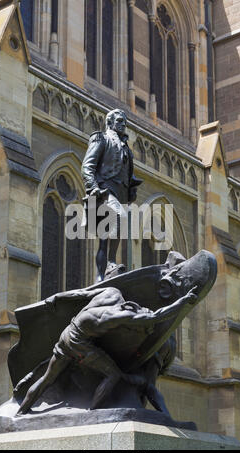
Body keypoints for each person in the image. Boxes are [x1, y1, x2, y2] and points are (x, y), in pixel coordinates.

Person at [16, 285, 197, 415]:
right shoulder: (122, 316)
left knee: (48, 378)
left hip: (67, 335)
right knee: (113, 375)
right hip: (79, 344)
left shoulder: (111, 293)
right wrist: (184, 301)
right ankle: (92, 413)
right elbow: (158, 316)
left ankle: (21, 411)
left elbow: (82, 293)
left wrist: (58, 297)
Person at [81, 109, 142, 282]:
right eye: (120, 121)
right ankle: (110, 263)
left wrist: (131, 187)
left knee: (105, 238)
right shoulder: (102, 139)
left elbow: (128, 174)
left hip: (119, 193)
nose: (123, 125)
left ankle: (102, 275)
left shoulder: (126, 148)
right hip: (104, 191)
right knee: (120, 217)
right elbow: (87, 166)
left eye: (124, 122)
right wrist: (92, 187)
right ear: (110, 122)